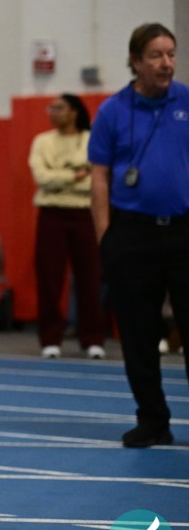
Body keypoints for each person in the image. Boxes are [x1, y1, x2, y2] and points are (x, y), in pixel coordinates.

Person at [89, 22, 189, 448]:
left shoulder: (186, 100)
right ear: (135, 61)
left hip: (184, 231)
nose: (166, 63)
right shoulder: (113, 111)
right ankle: (153, 420)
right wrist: (105, 237)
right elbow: (99, 177)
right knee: (138, 335)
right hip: (132, 234)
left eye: (171, 54)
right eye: (156, 55)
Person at [28, 93, 106, 359]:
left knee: (90, 278)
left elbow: (97, 179)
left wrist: (64, 177)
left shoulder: (92, 139)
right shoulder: (42, 141)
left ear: (74, 111)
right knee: (49, 279)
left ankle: (93, 338)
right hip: (52, 215)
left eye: (59, 108)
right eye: (51, 108)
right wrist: (77, 174)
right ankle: (50, 339)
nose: (53, 112)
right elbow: (43, 178)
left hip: (85, 215)